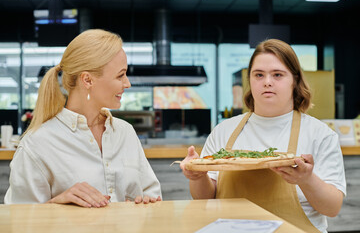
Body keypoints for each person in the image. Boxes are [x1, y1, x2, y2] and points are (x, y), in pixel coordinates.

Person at [180, 39, 346, 233]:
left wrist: (306, 179)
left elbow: (332, 208)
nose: (267, 82)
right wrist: (198, 176)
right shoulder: (223, 131)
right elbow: (204, 199)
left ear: (295, 80)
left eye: (277, 75)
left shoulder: (320, 134)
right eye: (259, 75)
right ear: (250, 80)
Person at [5, 29, 162, 207]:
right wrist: (55, 204)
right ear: (87, 80)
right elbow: (17, 220)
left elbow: (152, 194)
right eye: (120, 75)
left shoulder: (125, 132)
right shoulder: (36, 144)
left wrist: (149, 202)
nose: (127, 83)